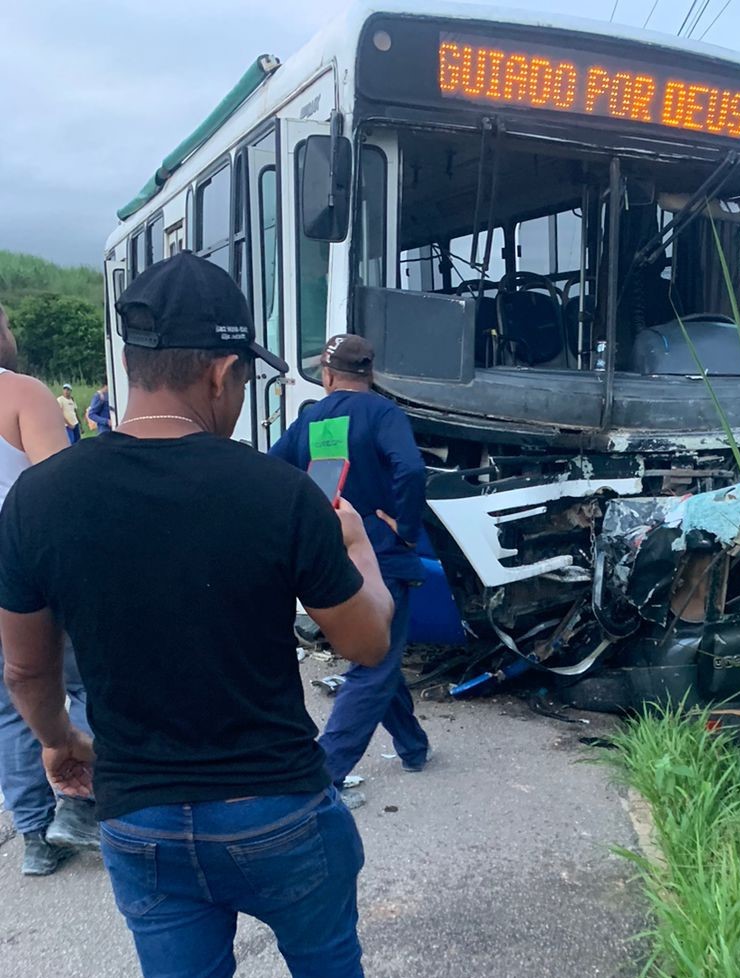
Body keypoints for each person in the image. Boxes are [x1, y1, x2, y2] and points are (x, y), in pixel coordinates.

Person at [0, 253, 393, 978]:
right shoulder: (280, 495)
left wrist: (59, 740)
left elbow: (25, 667)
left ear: (131, 361)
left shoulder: (38, 498)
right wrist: (362, 548)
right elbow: (367, 642)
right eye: (243, 378)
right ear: (221, 373)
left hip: (140, 816)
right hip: (277, 808)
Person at [270, 334, 429, 807]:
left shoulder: (310, 419)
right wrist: (407, 526)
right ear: (371, 374)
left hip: (332, 559)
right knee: (376, 663)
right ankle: (324, 774)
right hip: (382, 554)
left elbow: (274, 470)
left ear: (326, 373)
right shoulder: (383, 413)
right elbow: (412, 469)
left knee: (379, 652)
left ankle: (413, 746)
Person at [0, 303, 100, 876]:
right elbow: (56, 488)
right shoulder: (22, 394)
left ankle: (35, 838)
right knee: (80, 681)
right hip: (27, 573)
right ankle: (79, 806)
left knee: (11, 711)